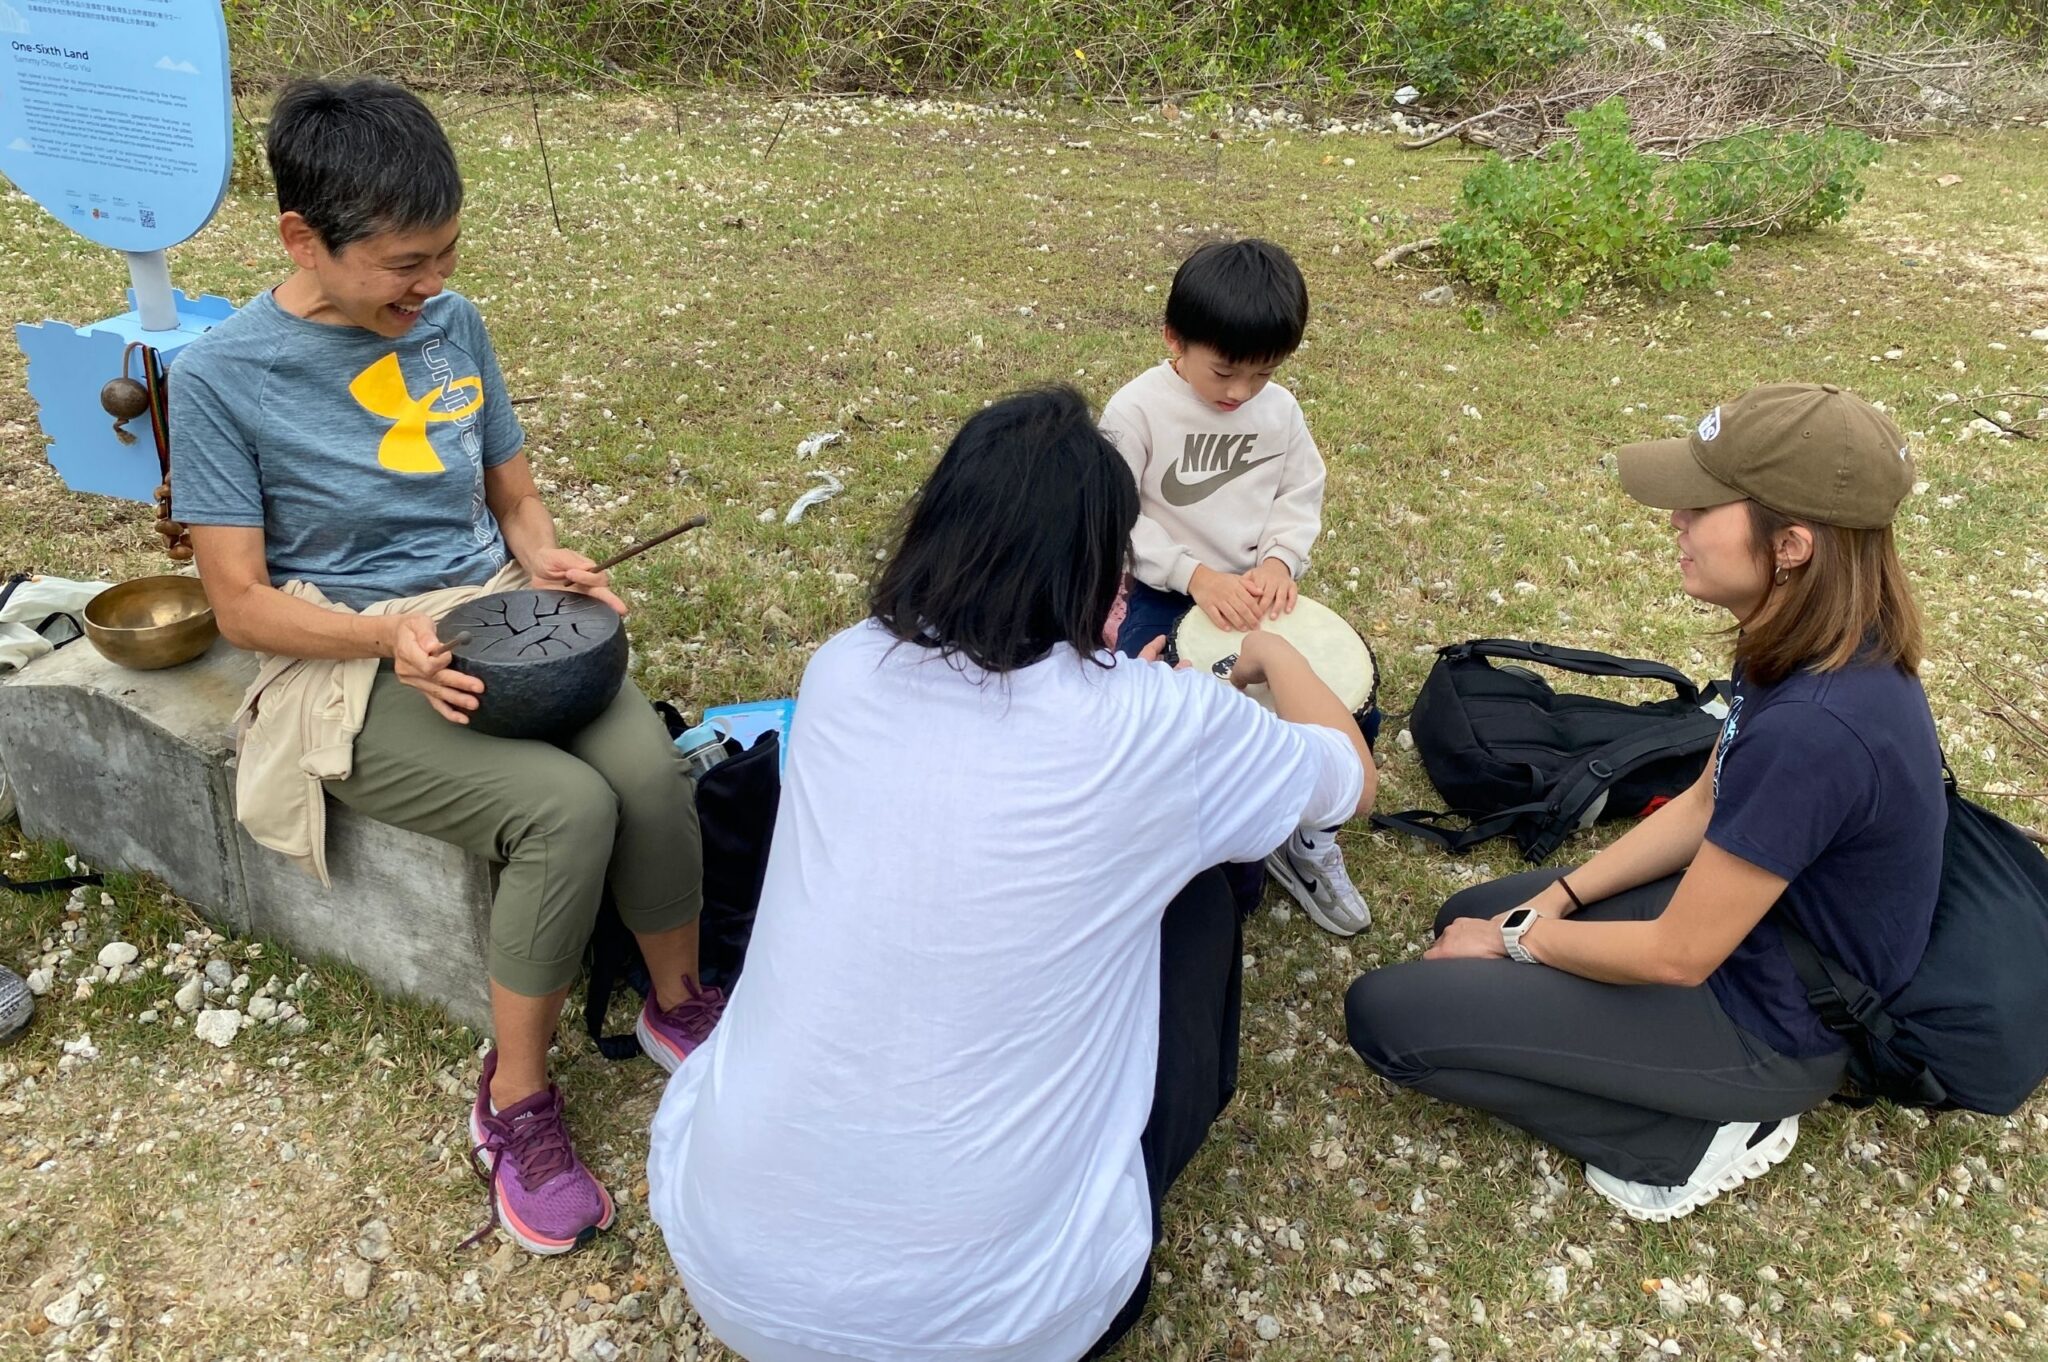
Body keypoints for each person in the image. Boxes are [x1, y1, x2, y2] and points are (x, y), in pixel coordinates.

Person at [647, 387, 1375, 1362]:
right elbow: (1347, 783)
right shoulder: (1153, 724)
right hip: (1001, 1323)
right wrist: (1271, 655)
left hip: (734, 1270)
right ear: (1100, 568)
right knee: (1200, 885)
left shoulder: (841, 671)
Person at [169, 78, 722, 1256]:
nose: (429, 286)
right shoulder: (221, 377)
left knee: (647, 770)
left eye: (445, 254)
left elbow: (509, 495)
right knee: (562, 810)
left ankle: (678, 1006)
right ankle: (513, 1100)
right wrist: (383, 637)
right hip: (345, 653)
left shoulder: (450, 323)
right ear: (300, 239)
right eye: (403, 263)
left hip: (491, 614)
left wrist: (546, 557)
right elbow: (240, 603)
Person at [1345, 383, 1943, 1222]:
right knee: (1465, 912)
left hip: (1779, 1021)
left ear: (1795, 544)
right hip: (1760, 926)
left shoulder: (1820, 725)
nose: (1677, 521)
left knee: (1388, 1017)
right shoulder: (1807, 634)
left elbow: (1676, 956)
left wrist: (1521, 942)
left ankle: (1693, 1139)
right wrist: (1546, 904)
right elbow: (1704, 804)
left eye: (1702, 506)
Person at [1099, 238, 1371, 936]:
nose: (1239, 393)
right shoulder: (1135, 412)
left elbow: (1298, 490)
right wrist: (1194, 575)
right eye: (1224, 372)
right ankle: (1183, 846)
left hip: (1255, 588)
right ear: (1174, 339)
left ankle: (1306, 836)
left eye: (1261, 374)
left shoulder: (1279, 413)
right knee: (1148, 702)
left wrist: (1280, 561)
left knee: (1345, 698)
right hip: (1168, 588)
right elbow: (1113, 514)